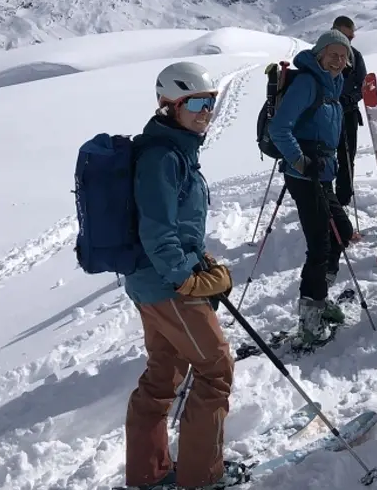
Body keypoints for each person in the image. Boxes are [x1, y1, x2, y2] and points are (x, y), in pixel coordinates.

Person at [124, 61, 248, 490]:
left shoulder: (175, 150)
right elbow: (157, 229)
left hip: (151, 283)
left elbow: (175, 224)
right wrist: (186, 279)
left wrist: (201, 258)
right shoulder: (163, 156)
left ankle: (147, 473)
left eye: (210, 104)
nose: (204, 112)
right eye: (195, 103)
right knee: (215, 371)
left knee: (162, 375)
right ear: (167, 105)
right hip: (168, 287)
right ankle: (201, 479)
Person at [268, 30, 353, 348]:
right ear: (319, 54)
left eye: (344, 56)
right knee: (320, 246)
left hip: (322, 175)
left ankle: (319, 298)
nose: (339, 60)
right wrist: (301, 161)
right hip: (304, 176)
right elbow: (280, 128)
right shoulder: (307, 82)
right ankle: (310, 317)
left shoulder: (334, 84)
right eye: (333, 53)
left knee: (341, 233)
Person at [333, 16, 366, 221]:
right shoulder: (322, 54)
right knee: (323, 157)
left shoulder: (355, 56)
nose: (348, 41)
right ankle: (325, 198)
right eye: (344, 36)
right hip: (324, 113)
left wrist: (350, 99)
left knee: (346, 157)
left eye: (350, 37)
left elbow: (363, 84)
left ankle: (343, 199)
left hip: (348, 113)